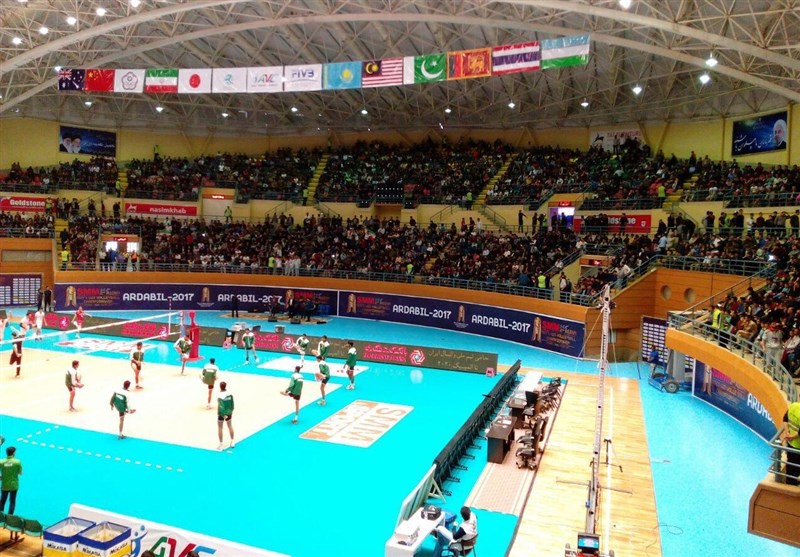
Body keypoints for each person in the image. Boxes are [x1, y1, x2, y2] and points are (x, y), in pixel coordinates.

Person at [0, 446, 22, 515]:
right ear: (13, 453)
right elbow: (20, 473)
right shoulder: (17, 462)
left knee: (2, 501)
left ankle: (0, 516)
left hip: (5, 485)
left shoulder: (1, 462)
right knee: (12, 501)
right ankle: (10, 517)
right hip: (14, 485)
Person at [782, 401, 800, 486]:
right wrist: (792, 437)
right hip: (798, 447)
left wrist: (787, 433)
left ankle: (789, 484)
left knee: (790, 466)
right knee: (795, 468)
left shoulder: (793, 405)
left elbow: (785, 419)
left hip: (790, 444)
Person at [217, 381, 235, 450]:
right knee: (230, 426)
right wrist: (230, 412)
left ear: (220, 387)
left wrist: (222, 414)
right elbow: (232, 404)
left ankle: (221, 444)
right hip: (229, 412)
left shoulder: (219, 395)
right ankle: (232, 441)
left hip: (222, 414)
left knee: (220, 428)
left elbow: (220, 406)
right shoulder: (230, 394)